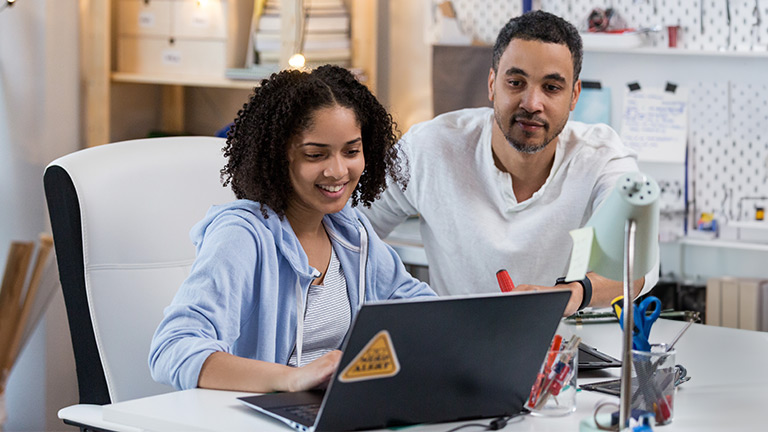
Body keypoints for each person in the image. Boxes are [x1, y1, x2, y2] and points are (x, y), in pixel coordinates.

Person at [149, 65, 435, 393]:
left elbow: (416, 306)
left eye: (352, 151)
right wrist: (292, 379)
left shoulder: (350, 230)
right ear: (278, 155)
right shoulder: (242, 236)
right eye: (316, 154)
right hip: (255, 418)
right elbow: (172, 348)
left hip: (329, 414)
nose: (339, 170)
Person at [361, 11, 658, 317]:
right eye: (516, 82)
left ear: (574, 96)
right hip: (457, 351)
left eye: (552, 88)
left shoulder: (602, 157)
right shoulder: (429, 147)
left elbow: (636, 268)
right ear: (492, 84)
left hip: (567, 353)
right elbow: (348, 230)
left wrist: (571, 294)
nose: (531, 103)